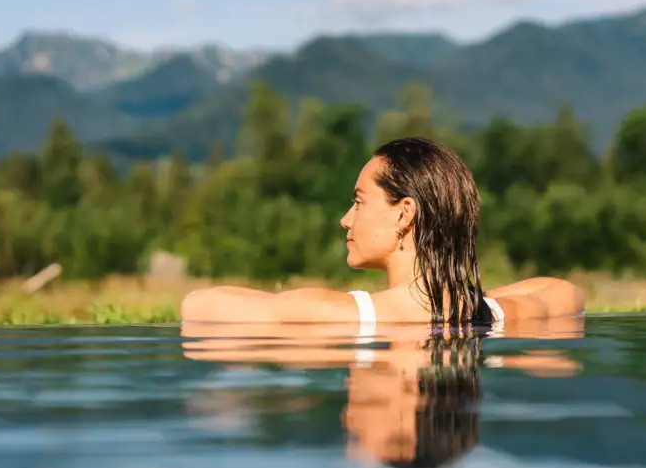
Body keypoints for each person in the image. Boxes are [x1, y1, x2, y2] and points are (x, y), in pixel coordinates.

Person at [180, 136, 584, 328]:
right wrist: (457, 296)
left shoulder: (353, 316)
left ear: (404, 213)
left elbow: (197, 307)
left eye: (358, 202)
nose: (345, 219)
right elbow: (563, 291)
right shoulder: (492, 315)